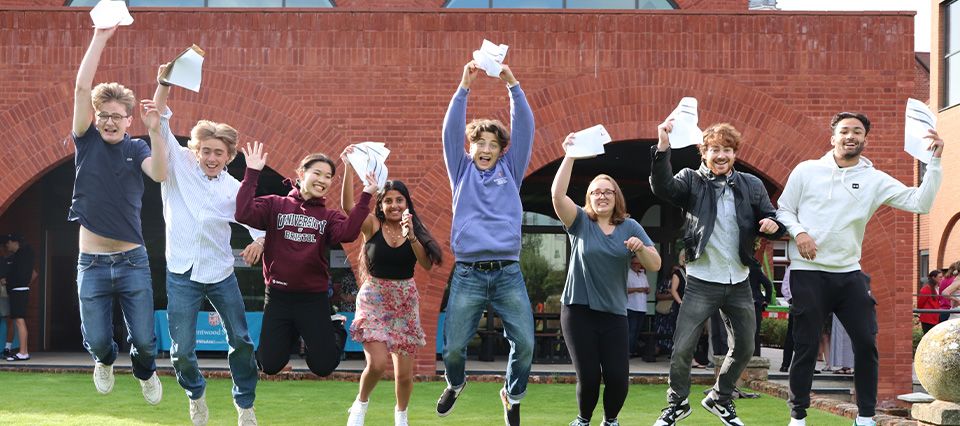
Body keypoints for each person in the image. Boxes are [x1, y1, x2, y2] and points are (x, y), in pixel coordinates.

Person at [776, 112, 944, 426]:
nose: (850, 136)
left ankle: (865, 417)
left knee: (866, 342)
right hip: (808, 272)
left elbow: (920, 202)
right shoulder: (806, 171)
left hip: (849, 273)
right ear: (833, 138)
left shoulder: (874, 180)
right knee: (806, 344)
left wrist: (933, 162)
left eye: (857, 132)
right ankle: (797, 416)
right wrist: (799, 233)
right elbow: (784, 209)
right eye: (844, 131)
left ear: (865, 140)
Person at [140, 71, 264, 425]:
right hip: (181, 272)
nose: (211, 157)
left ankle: (245, 405)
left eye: (218, 153)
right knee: (180, 352)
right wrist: (163, 82)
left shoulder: (233, 188)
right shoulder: (178, 164)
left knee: (240, 339)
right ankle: (196, 394)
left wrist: (260, 241)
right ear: (195, 150)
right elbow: (159, 119)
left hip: (221, 273)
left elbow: (257, 224)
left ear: (229, 156)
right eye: (206, 151)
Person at [650, 120, 785, 426]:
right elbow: (662, 187)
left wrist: (774, 225)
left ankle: (720, 398)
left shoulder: (751, 185)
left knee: (745, 346)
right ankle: (677, 404)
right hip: (700, 281)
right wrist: (662, 148)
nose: (721, 155)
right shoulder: (691, 181)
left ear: (735, 154)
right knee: (683, 347)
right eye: (714, 149)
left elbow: (771, 216)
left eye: (727, 149)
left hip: (739, 280)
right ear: (704, 153)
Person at [437, 59, 535, 426]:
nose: (486, 149)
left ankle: (512, 394)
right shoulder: (460, 171)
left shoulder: (510, 170)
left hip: (508, 272)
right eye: (480, 142)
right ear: (471, 146)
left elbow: (525, 129)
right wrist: (464, 87)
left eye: (494, 144)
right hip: (469, 273)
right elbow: (449, 131)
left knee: (525, 344)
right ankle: (456, 382)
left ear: (501, 151)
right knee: (453, 349)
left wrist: (513, 85)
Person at [71, 25, 164, 403]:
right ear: (95, 118)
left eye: (118, 116)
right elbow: (80, 89)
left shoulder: (138, 147)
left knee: (143, 339)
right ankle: (105, 360)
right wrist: (99, 37)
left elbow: (159, 174)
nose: (110, 121)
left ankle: (145, 372)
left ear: (129, 119)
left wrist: (156, 132)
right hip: (91, 263)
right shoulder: (86, 141)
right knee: (95, 339)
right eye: (104, 115)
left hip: (132, 261)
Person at [235, 142, 375, 379]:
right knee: (269, 364)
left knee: (323, 366)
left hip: (313, 299)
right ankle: (291, 331)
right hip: (279, 297)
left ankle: (334, 327)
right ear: (301, 174)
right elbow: (243, 213)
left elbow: (349, 233)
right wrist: (252, 173)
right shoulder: (275, 205)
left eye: (328, 176)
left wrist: (366, 196)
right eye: (317, 173)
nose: (323, 180)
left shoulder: (328, 217)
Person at [551, 133, 661, 426]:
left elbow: (655, 261)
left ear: (616, 198)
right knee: (588, 377)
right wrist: (570, 155)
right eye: (596, 192)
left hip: (614, 312)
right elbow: (557, 196)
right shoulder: (580, 222)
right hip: (578, 310)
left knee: (618, 378)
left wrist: (641, 248)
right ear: (588, 198)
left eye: (607, 192)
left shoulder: (630, 226)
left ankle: (610, 420)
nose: (601, 196)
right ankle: (583, 420)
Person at [341, 146, 444, 426]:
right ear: (380, 204)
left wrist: (412, 237)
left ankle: (401, 417)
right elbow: (349, 208)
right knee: (377, 364)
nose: (394, 205)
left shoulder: (414, 230)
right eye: (388, 201)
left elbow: (424, 264)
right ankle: (360, 405)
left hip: (404, 301)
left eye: (399, 200)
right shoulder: (372, 225)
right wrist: (349, 168)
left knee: (403, 375)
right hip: (374, 297)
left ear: (406, 203)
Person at [2, 234, 33, 361]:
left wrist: (7, 280)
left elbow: (19, 275)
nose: (6, 247)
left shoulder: (22, 254)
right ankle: (22, 351)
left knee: (20, 321)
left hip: (19, 290)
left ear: (13, 242)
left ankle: (23, 352)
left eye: (7, 244)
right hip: (18, 290)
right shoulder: (22, 254)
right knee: (18, 321)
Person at [626, 256, 653, 361]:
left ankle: (633, 350)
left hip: (642, 307)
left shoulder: (643, 275)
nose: (637, 265)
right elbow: (624, 289)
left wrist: (647, 290)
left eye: (638, 263)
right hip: (631, 306)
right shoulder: (627, 274)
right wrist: (638, 289)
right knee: (631, 331)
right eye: (635, 263)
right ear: (631, 264)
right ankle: (628, 352)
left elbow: (648, 289)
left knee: (637, 331)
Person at [749, 262, 773, 357]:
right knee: (755, 332)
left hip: (743, 302)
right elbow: (768, 284)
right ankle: (755, 356)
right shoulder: (755, 267)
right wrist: (766, 300)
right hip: (755, 303)